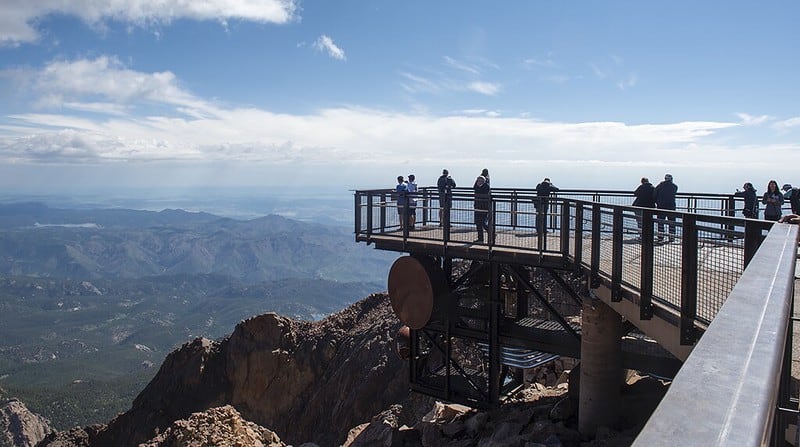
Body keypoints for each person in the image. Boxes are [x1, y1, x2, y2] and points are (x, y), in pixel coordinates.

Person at [654, 173, 678, 242]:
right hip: (671, 207)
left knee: (661, 222)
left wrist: (657, 202)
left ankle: (660, 237)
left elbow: (654, 194)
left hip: (661, 206)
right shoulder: (674, 186)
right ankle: (672, 237)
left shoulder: (660, 186)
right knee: (672, 222)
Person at [473, 175, 491, 242]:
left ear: (483, 181)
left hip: (484, 207)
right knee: (478, 223)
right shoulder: (477, 186)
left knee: (483, 223)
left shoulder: (486, 186)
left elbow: (482, 193)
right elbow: (474, 188)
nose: (478, 182)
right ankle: (480, 239)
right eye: (478, 180)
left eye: (480, 180)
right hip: (477, 207)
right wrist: (476, 182)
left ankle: (491, 233)